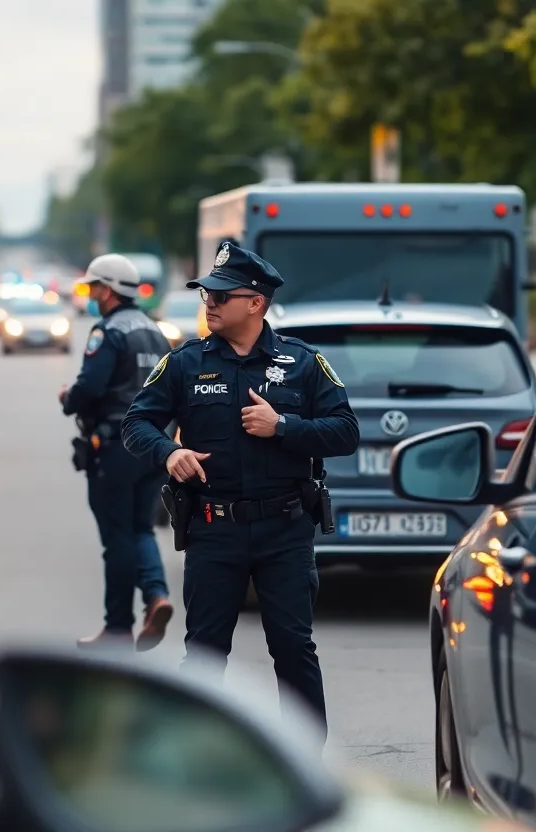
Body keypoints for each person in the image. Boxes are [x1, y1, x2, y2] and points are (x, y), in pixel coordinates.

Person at [121, 241, 360, 741]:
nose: (209, 302)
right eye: (207, 293)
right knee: (205, 652)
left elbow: (345, 431)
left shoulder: (301, 363)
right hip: (214, 530)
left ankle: (307, 762)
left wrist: (284, 427)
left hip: (285, 531)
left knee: (293, 647)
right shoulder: (185, 362)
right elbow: (136, 422)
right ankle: (187, 761)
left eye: (221, 296)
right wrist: (168, 452)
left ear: (255, 302)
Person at [61, 253, 175, 651]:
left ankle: (117, 628)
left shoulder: (107, 331)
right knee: (141, 527)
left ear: (107, 290)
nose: (91, 295)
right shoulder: (154, 331)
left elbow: (91, 387)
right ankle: (156, 596)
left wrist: (69, 399)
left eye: (94, 288)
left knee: (117, 538)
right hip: (155, 447)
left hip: (115, 446)